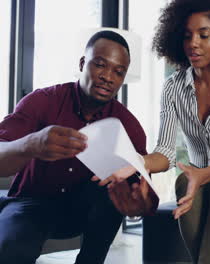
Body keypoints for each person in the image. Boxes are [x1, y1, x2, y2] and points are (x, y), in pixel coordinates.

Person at [102, 0, 210, 263]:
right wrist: (138, 163)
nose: (193, 43)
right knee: (182, 181)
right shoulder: (173, 87)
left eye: (203, 35)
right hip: (197, 177)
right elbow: (164, 151)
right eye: (187, 36)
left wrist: (202, 175)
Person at [0, 30, 157, 264]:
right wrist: (32, 144)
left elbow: (141, 189)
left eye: (119, 71)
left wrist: (139, 204)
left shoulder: (128, 126)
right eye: (101, 65)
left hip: (83, 209)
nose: (108, 77)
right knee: (10, 250)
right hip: (31, 204)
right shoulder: (42, 101)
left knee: (111, 190)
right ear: (83, 63)